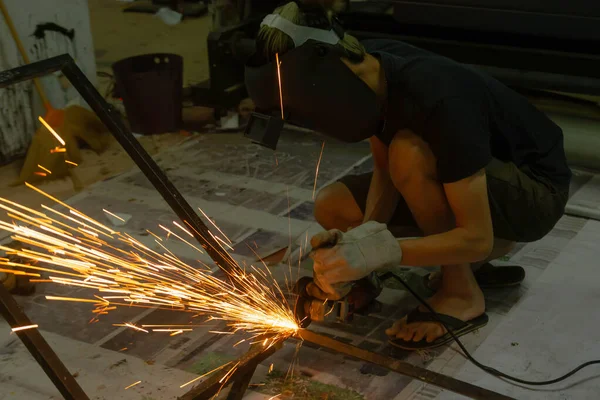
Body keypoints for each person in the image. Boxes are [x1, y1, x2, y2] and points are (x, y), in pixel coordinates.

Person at [249, 1, 571, 350]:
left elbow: (477, 238)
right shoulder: (369, 73)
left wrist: (379, 251)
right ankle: (392, 277)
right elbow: (385, 174)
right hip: (469, 184)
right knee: (334, 206)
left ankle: (462, 294)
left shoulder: (436, 95)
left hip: (534, 194)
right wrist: (358, 253)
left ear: (329, 71)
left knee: (409, 152)